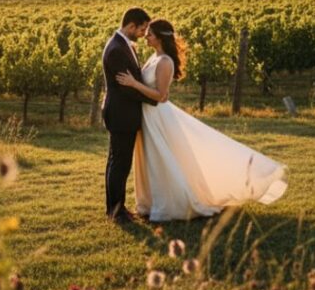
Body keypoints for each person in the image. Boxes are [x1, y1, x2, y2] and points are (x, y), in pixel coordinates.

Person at [116, 19, 288, 222]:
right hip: (148, 116)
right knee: (152, 160)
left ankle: (172, 204)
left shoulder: (165, 62)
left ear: (160, 38)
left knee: (161, 159)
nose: (146, 36)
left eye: (150, 34)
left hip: (158, 116)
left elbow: (161, 95)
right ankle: (151, 202)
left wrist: (134, 84)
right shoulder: (154, 57)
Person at [101, 7, 157, 223]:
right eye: (142, 29)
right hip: (121, 113)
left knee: (117, 161)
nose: (144, 33)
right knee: (120, 163)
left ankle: (115, 208)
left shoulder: (123, 45)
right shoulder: (117, 49)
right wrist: (156, 99)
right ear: (131, 26)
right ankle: (116, 211)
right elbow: (127, 88)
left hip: (121, 112)